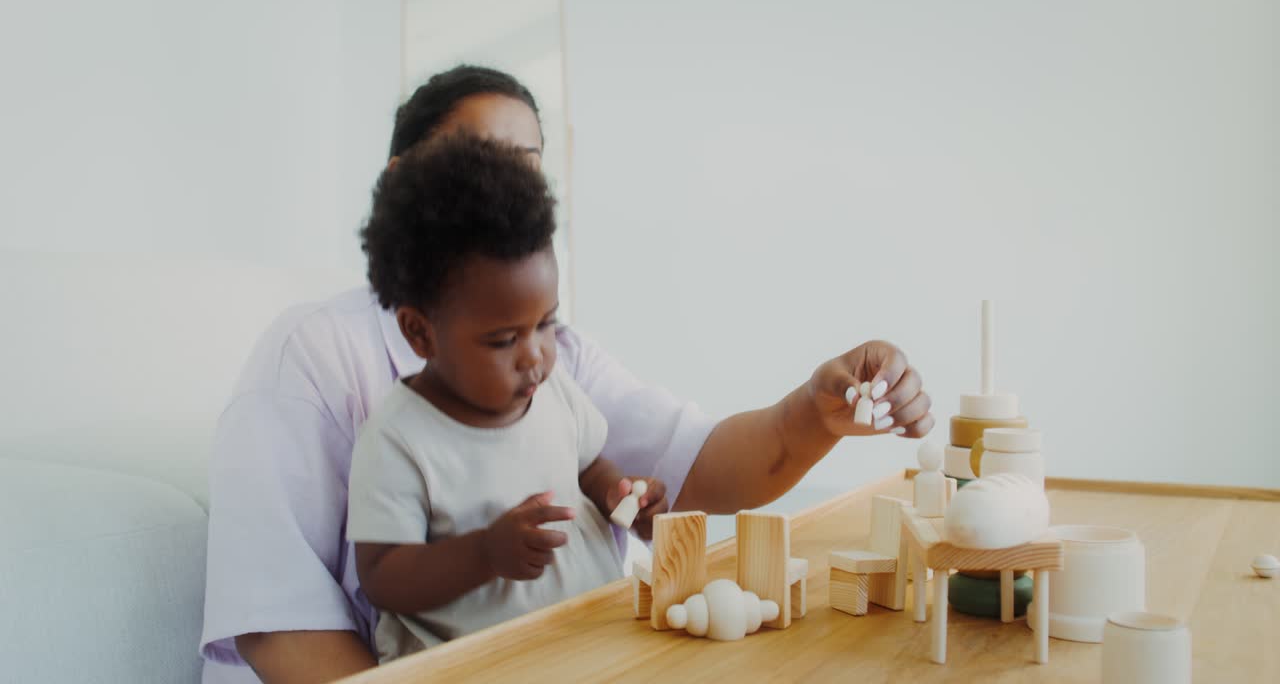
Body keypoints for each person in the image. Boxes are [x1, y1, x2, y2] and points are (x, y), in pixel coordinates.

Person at [200, 65, 935, 684]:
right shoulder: (321, 361)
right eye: (481, 159)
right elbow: (279, 624)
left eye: (526, 168)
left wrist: (814, 411)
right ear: (404, 187)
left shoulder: (554, 361)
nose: (503, 191)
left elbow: (704, 468)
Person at [348, 133, 661, 661]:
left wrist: (621, 497)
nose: (534, 354)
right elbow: (382, 576)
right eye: (504, 339)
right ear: (420, 334)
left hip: (592, 640)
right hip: (480, 664)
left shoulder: (551, 388)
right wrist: (484, 553)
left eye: (546, 324)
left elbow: (587, 466)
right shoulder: (399, 438)